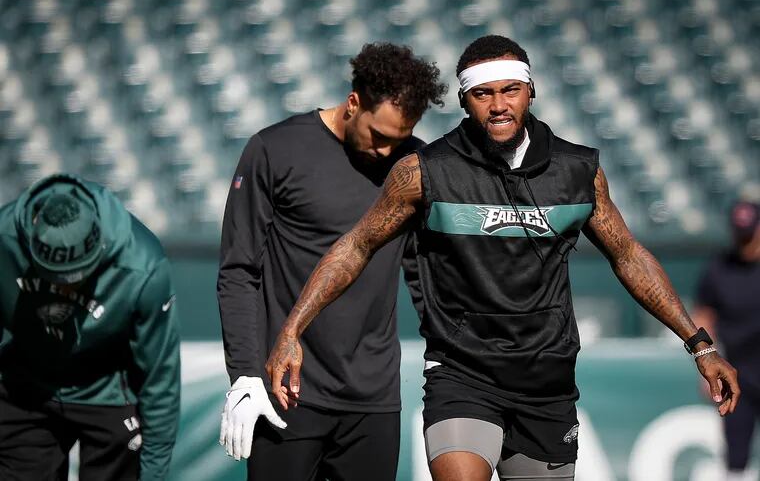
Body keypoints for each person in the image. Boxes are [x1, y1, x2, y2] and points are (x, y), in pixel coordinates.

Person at [266, 35, 741, 481]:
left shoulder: (578, 172)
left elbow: (628, 255)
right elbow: (356, 246)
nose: (498, 105)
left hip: (547, 383)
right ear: (463, 101)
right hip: (461, 374)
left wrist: (700, 346)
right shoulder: (424, 173)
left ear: (531, 91)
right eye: (483, 94)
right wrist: (291, 331)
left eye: (510, 90)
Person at [216, 42, 446, 480]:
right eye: (379, 136)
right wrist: (244, 375)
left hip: (374, 401)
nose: (387, 152)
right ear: (353, 103)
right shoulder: (275, 149)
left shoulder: (415, 166)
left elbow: (425, 276)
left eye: (399, 139)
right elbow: (238, 270)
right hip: (286, 391)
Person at [0, 173, 180, 481]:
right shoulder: (4, 241)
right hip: (27, 384)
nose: (66, 289)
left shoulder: (143, 265)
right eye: (55, 278)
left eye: (79, 277)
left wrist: (153, 474)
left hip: (108, 390)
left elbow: (160, 378)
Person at [693, 201, 760, 481]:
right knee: (736, 456)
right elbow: (704, 315)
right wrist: (706, 358)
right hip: (737, 371)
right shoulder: (718, 268)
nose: (744, 238)